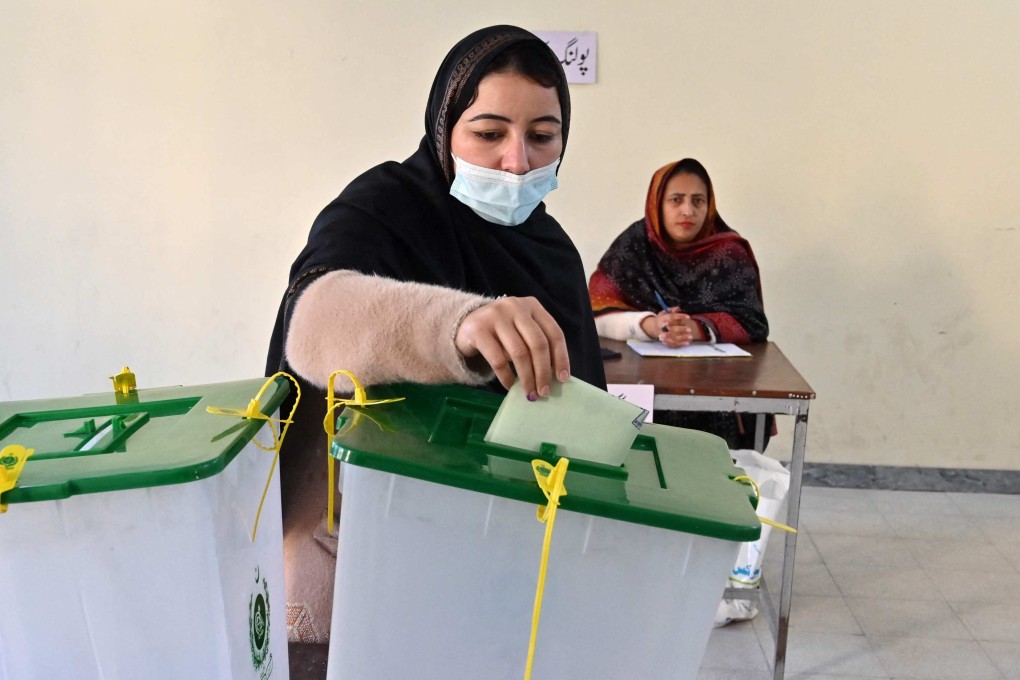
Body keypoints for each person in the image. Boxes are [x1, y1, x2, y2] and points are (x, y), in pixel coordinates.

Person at [265, 25, 605, 647]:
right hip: (359, 559)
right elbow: (313, 323)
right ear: (444, 127)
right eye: (489, 132)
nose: (516, 161)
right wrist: (459, 325)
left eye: (541, 136)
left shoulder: (553, 254)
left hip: (497, 558)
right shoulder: (383, 208)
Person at [588, 157, 770, 449]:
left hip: (715, 397)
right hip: (641, 390)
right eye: (676, 200)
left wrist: (694, 328)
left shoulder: (729, 253)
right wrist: (650, 324)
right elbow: (595, 312)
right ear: (656, 203)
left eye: (698, 200)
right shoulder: (635, 245)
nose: (688, 210)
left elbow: (754, 323)